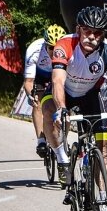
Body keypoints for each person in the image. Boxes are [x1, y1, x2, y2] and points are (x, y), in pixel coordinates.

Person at [41, 6, 107, 211]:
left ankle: (105, 205)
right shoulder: (65, 45)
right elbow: (58, 82)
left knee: (102, 151)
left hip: (89, 95)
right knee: (50, 114)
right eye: (87, 31)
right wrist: (62, 109)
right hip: (63, 94)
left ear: (104, 34)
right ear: (78, 29)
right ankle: (60, 155)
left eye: (98, 33)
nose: (92, 37)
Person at [23, 24, 66, 158]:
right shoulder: (34, 50)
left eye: (57, 47)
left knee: (64, 103)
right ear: (45, 45)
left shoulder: (68, 49)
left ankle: (61, 139)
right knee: (37, 100)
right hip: (41, 75)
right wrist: (31, 96)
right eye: (51, 48)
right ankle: (41, 140)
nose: (54, 51)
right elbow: (28, 82)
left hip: (59, 73)